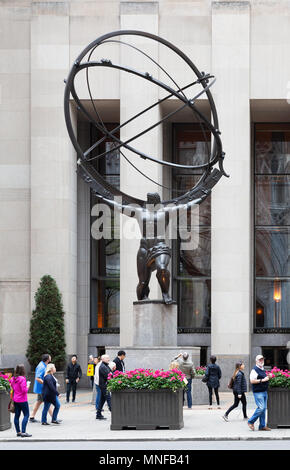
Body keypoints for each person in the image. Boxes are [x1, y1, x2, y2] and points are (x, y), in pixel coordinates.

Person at [247, 355, 272, 431]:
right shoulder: (254, 370)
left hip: (264, 391)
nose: (261, 361)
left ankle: (262, 426)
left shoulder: (262, 368)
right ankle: (250, 421)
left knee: (263, 409)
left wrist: (269, 376)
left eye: (262, 359)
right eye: (259, 360)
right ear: (256, 361)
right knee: (261, 408)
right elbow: (252, 381)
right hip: (258, 392)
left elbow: (264, 377)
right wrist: (262, 380)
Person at [29, 353, 53, 422]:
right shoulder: (41, 366)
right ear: (48, 359)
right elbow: (38, 378)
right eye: (50, 356)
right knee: (48, 402)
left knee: (39, 402)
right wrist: (46, 383)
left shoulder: (43, 365)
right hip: (42, 388)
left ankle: (32, 417)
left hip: (41, 389)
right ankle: (54, 417)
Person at [10, 364, 31, 437]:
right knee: (26, 415)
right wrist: (27, 386)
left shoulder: (13, 378)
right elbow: (24, 390)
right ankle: (23, 432)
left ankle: (18, 432)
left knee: (17, 415)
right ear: (23, 370)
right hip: (23, 400)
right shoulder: (22, 378)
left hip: (16, 399)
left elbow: (12, 387)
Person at [96, 355, 112, 420]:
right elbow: (108, 375)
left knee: (102, 400)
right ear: (103, 359)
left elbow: (110, 373)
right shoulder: (103, 366)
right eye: (107, 358)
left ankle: (98, 414)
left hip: (104, 385)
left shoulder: (105, 365)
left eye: (108, 358)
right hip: (104, 385)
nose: (109, 359)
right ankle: (114, 413)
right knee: (109, 399)